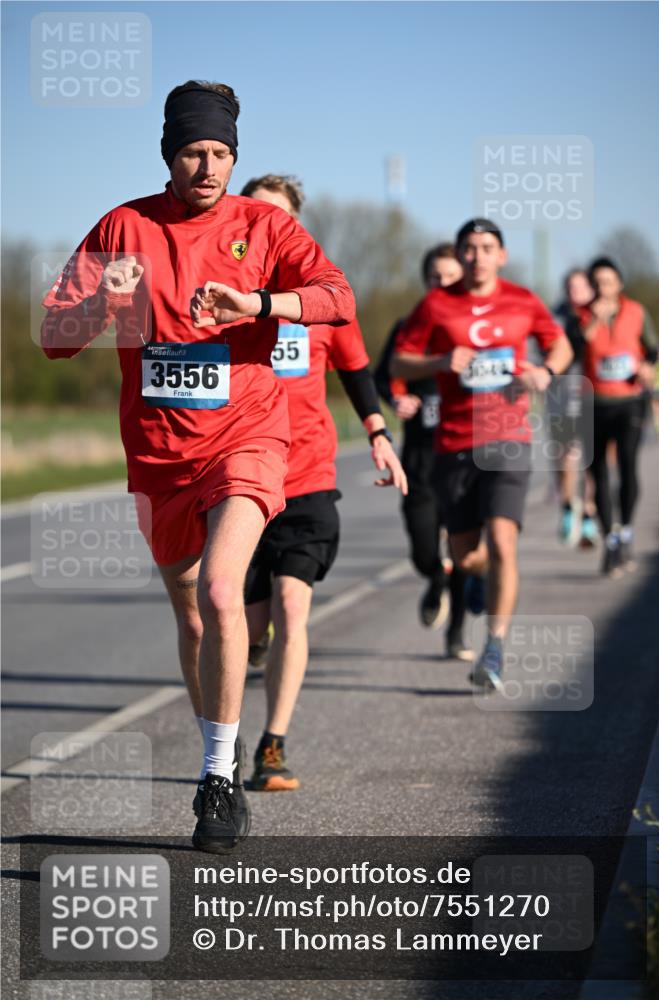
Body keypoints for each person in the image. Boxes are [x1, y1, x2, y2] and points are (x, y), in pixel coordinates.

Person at [40, 81, 356, 852]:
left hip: (246, 437)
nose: (207, 166)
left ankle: (216, 777)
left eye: (219, 153)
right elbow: (55, 336)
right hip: (157, 455)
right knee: (190, 612)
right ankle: (225, 740)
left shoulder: (259, 224)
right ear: (168, 156)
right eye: (192, 153)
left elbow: (337, 296)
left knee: (222, 592)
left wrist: (260, 307)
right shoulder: (124, 225)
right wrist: (101, 302)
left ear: (233, 157)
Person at [239, 174, 407, 790]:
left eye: (278, 216)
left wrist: (379, 435)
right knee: (242, 623)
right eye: (254, 213)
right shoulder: (223, 295)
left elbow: (358, 372)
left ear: (296, 226)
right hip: (240, 479)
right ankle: (224, 740)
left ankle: (273, 745)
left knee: (292, 606)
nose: (265, 224)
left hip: (308, 474)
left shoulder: (322, 300)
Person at [391, 218, 573, 690]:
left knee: (503, 540)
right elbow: (397, 361)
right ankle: (473, 579)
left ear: (501, 255)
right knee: (468, 555)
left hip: (508, 438)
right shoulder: (435, 304)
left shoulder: (522, 300)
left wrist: (547, 373)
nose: (477, 256)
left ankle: (493, 647)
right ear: (460, 254)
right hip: (453, 444)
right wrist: (436, 362)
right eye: (469, 249)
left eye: (487, 247)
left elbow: (561, 345)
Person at [375, 243, 473, 661]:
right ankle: (435, 578)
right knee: (422, 549)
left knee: (466, 550)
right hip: (419, 457)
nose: (443, 283)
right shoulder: (407, 327)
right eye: (436, 277)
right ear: (426, 280)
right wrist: (396, 401)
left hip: (464, 456)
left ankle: (457, 634)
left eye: (451, 277)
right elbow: (381, 377)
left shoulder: (476, 329)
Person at [575, 256, 659, 577]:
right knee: (597, 474)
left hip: (629, 401)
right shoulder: (581, 316)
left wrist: (648, 367)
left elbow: (651, 349)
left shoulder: (637, 312)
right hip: (593, 403)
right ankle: (610, 537)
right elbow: (570, 348)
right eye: (597, 283)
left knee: (627, 465)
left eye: (608, 282)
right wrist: (593, 321)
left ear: (619, 284)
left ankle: (625, 530)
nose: (603, 289)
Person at [550, 269, 598, 547]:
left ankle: (589, 510)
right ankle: (569, 505)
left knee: (593, 457)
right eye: (570, 287)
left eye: (580, 287)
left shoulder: (600, 312)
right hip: (563, 392)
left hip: (594, 393)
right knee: (565, 454)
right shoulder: (558, 315)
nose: (574, 292)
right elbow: (565, 345)